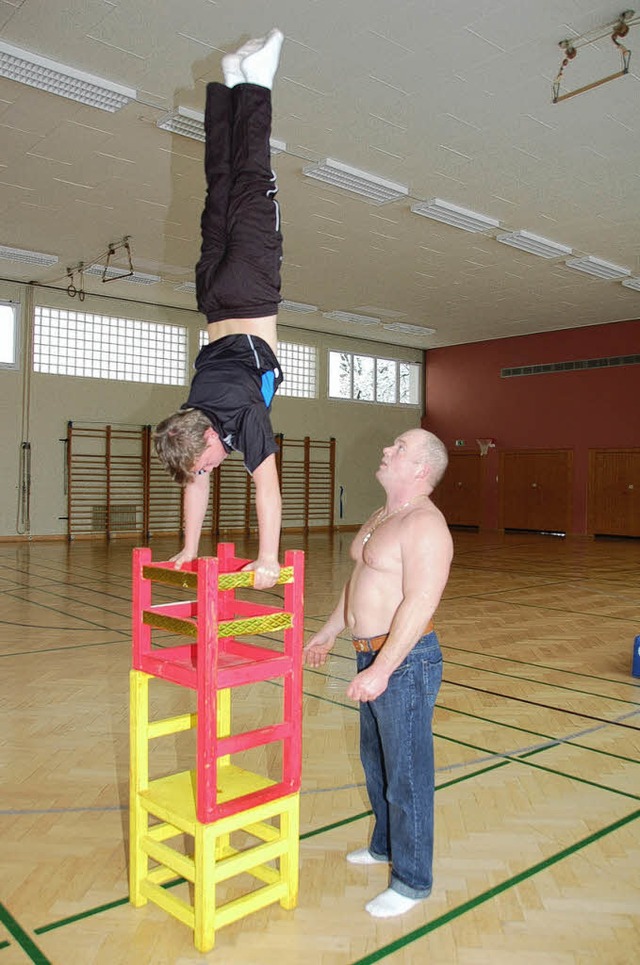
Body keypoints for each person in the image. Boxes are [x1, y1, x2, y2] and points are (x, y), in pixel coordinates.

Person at [154, 29, 285, 589]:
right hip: (210, 295)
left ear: (207, 440)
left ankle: (257, 83)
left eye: (205, 463)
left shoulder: (242, 419)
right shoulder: (193, 414)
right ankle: (229, 83)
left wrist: (268, 558)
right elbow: (196, 481)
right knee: (220, 189)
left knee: (253, 183)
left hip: (252, 290)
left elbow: (267, 487)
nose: (207, 474)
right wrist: (188, 548)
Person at [304, 428, 453, 918]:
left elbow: (419, 602)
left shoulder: (425, 526)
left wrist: (384, 668)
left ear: (421, 469)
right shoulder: (382, 516)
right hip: (370, 656)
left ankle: (412, 882)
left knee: (407, 775)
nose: (387, 450)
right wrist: (329, 632)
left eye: (400, 448)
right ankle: (386, 846)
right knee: (377, 764)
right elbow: (359, 582)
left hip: (405, 662)